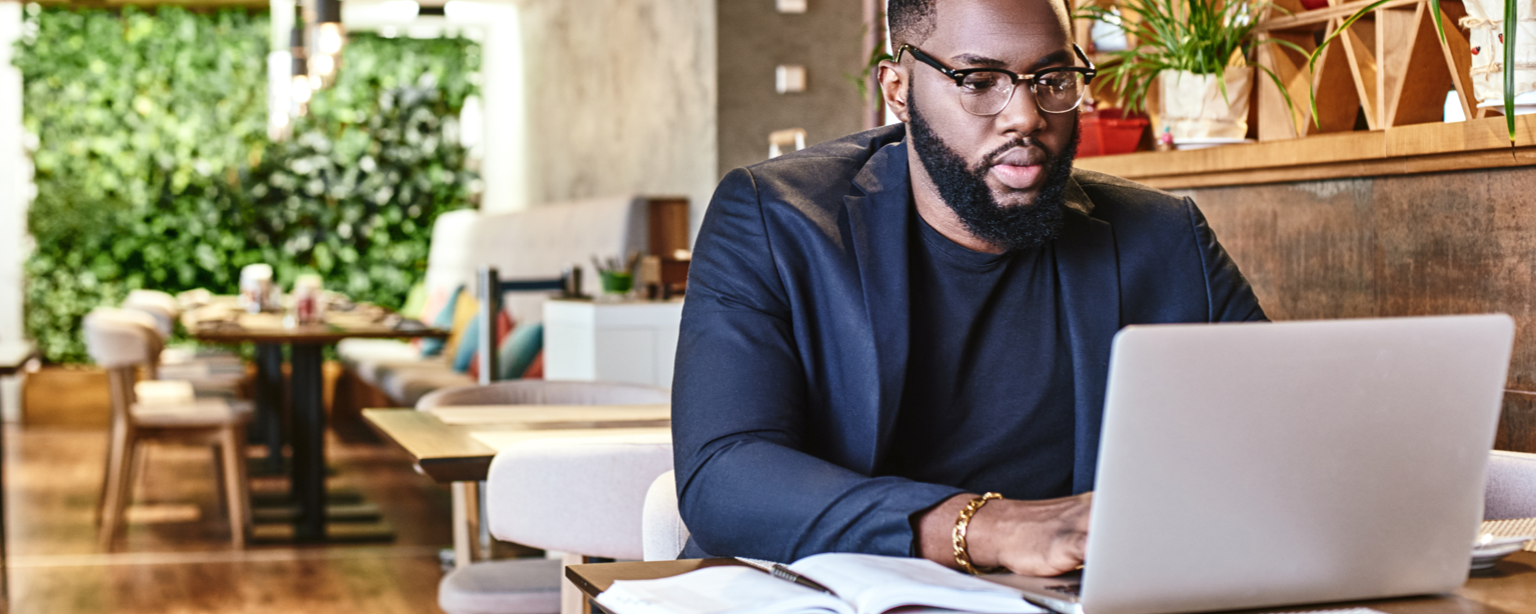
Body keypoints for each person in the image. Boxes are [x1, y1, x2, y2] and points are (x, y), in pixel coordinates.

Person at [671, 0, 1266, 577]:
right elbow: (725, 476)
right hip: (824, 591)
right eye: (979, 80)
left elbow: (1280, 439)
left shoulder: (1165, 238)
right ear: (898, 88)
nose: (1026, 115)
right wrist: (992, 528)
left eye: (1052, 78)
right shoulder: (776, 219)